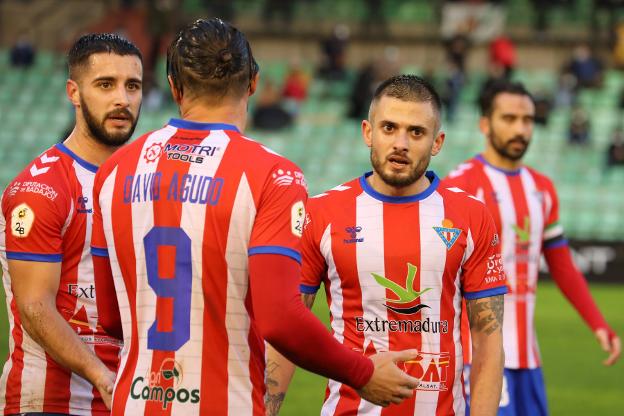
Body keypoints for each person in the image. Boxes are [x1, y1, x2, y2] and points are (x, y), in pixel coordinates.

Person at [89, 18, 419, 415]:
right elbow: (279, 317)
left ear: (175, 88)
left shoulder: (113, 170)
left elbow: (109, 317)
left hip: (134, 402)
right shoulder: (272, 175)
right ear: (253, 83)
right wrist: (362, 372)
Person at [264, 75, 507, 416]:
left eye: (416, 132)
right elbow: (286, 331)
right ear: (368, 132)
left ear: (437, 142)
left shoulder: (471, 216)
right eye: (389, 128)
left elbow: (488, 341)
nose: (401, 143)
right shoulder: (321, 214)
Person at [442, 81, 621, 415]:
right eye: (509, 118)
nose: (520, 129)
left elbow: (561, 264)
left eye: (527, 120)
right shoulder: (461, 186)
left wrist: (598, 324)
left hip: (528, 358)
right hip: (477, 357)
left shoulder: (542, 188)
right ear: (485, 124)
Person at [0, 33, 143, 414]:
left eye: (133, 86)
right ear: (74, 93)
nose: (122, 100)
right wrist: (101, 375)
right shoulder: (42, 187)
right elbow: (34, 307)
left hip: (126, 397)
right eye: (105, 85)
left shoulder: (142, 181)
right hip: (50, 403)